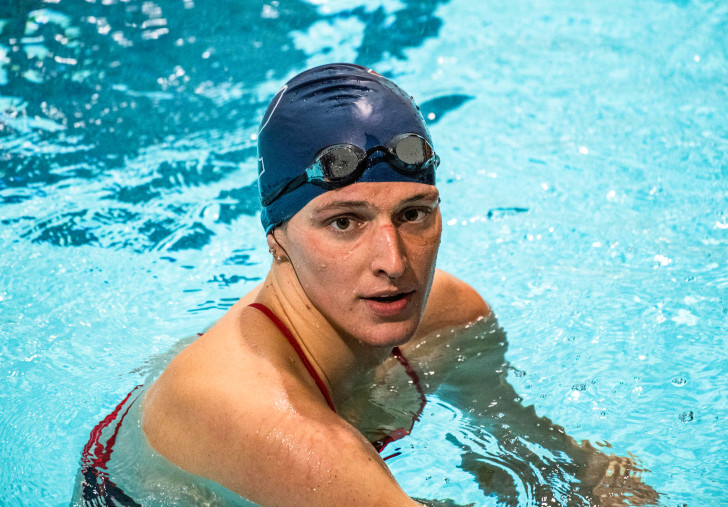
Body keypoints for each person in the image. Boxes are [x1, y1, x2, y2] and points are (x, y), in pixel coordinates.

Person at [115, 63, 656, 506]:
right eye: (343, 223)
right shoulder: (280, 429)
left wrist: (599, 476)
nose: (393, 262)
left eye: (414, 213)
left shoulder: (452, 318)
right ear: (277, 238)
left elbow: (533, 460)